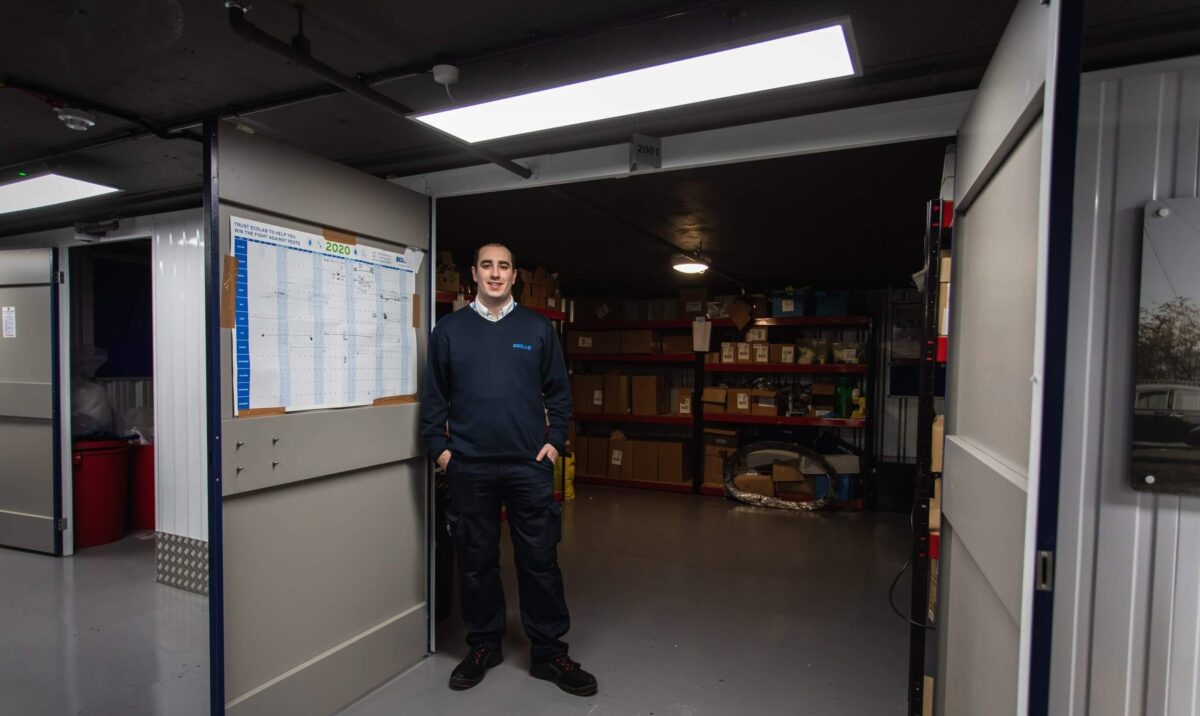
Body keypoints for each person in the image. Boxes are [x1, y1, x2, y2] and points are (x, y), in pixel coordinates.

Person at [421, 242, 598, 697]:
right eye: (487, 266)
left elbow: (559, 394)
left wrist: (554, 443)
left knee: (539, 561)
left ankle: (549, 652)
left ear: (514, 275)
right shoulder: (450, 331)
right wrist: (440, 450)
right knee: (477, 562)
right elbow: (434, 397)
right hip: (469, 468)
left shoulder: (537, 328)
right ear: (473, 275)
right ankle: (483, 645)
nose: (495, 274)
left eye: (503, 266)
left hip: (527, 467)